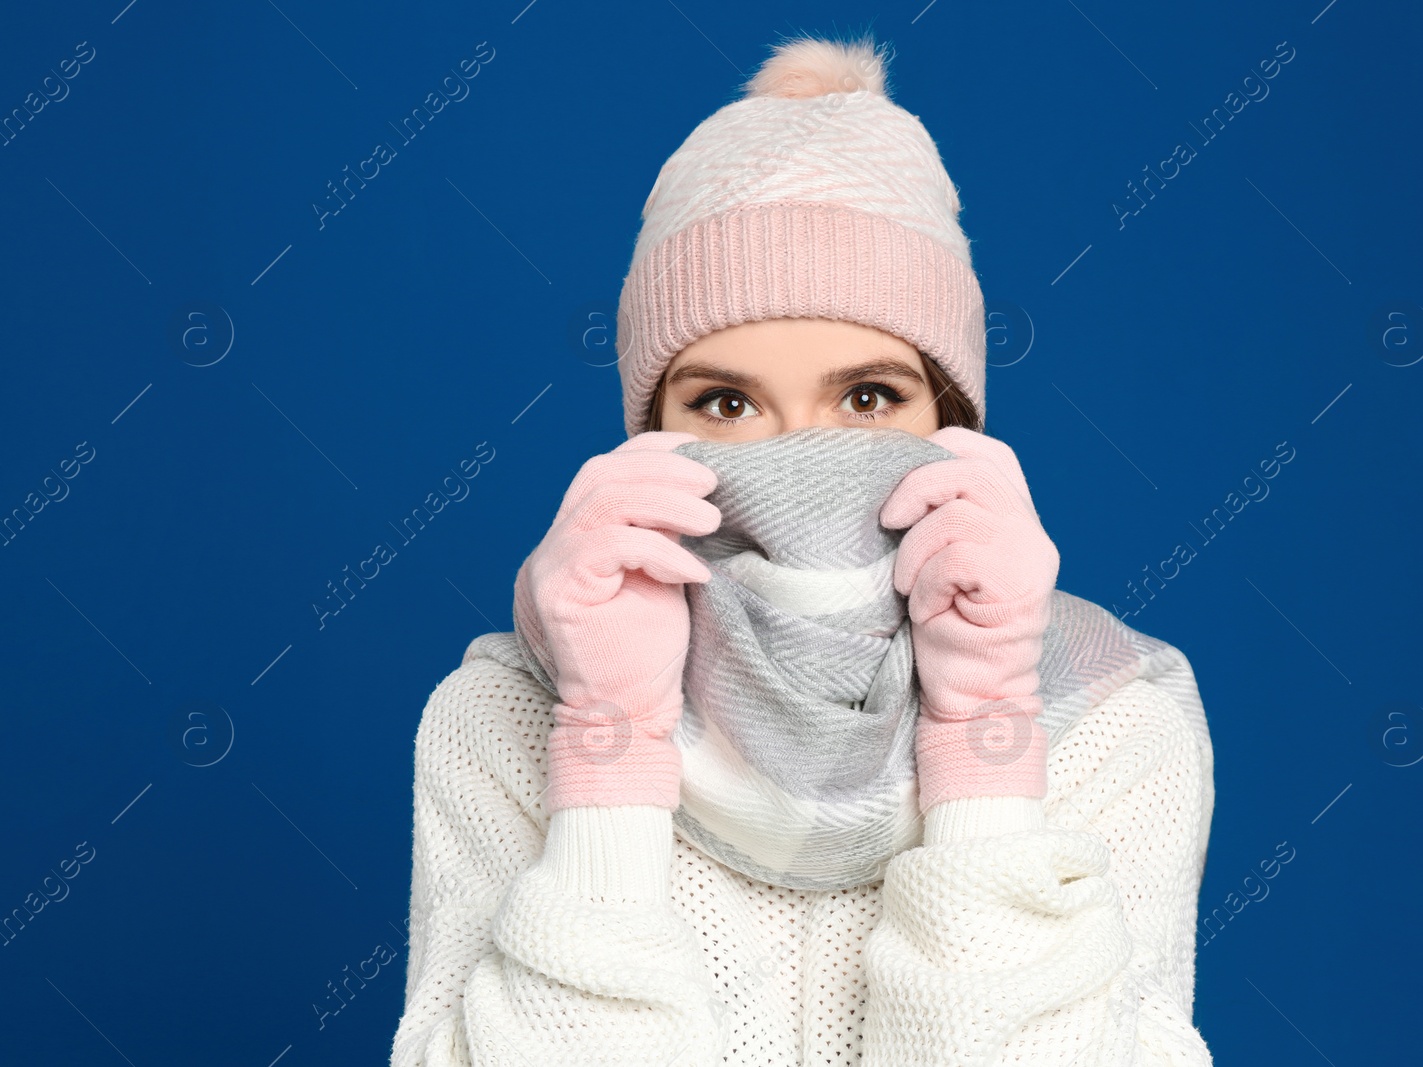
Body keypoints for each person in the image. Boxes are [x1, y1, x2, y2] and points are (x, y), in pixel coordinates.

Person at [390, 32, 1215, 1066]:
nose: (797, 459)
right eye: (725, 402)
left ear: (952, 426)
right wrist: (609, 742)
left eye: (867, 398)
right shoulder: (505, 718)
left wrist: (985, 744)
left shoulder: (1105, 723)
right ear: (646, 437)